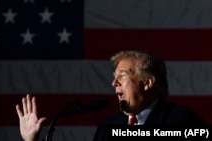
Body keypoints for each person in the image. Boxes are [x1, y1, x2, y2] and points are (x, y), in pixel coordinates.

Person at [16, 50, 205, 141]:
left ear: (147, 83)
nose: (114, 84)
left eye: (122, 77)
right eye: (114, 78)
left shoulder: (183, 122)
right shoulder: (108, 125)